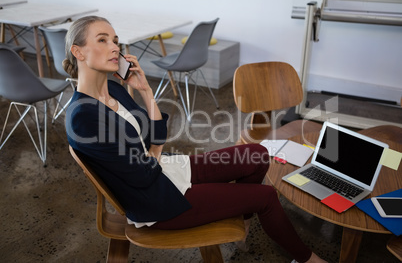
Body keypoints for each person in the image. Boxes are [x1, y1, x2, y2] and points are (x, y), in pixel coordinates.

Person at [64, 15, 327, 263]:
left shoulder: (112, 88)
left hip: (163, 170)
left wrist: (146, 92)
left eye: (115, 40)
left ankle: (243, 221)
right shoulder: (83, 117)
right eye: (102, 40)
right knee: (267, 196)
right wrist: (155, 149)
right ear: (79, 52)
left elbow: (153, 135)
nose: (115, 48)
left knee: (256, 153)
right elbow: (144, 172)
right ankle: (307, 259)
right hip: (157, 201)